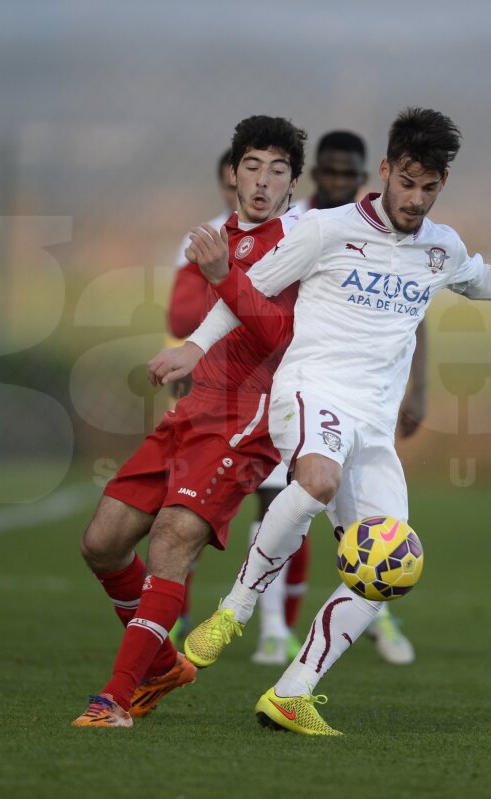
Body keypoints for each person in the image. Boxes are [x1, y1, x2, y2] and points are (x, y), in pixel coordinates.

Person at [158, 108, 491, 735]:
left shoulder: (440, 246)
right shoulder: (325, 230)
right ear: (385, 172)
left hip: (373, 426)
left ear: (442, 186)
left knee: (392, 564)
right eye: (406, 182)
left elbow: (481, 279)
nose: (415, 198)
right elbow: (252, 288)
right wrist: (193, 347)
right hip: (311, 390)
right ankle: (236, 608)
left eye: (429, 187)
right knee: (317, 480)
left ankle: (293, 690)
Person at [71, 115, 307, 728]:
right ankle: (162, 662)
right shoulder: (212, 238)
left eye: (277, 171)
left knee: (174, 537)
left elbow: (277, 332)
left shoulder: (295, 244)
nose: (262, 181)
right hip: (192, 409)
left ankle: (116, 699)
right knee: (101, 544)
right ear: (232, 173)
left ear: (291, 185)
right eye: (252, 166)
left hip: (246, 417)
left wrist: (219, 275)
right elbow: (184, 309)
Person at [254, 130, 423, 667]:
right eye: (330, 171)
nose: (339, 181)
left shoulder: (386, 234)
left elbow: (414, 314)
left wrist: (418, 388)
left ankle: (373, 607)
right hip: (286, 390)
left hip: (360, 402)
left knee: (360, 519)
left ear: (362, 177)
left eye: (349, 174)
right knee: (284, 501)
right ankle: (270, 626)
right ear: (314, 173)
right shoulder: (298, 228)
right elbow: (253, 297)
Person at [161, 149, 239, 647]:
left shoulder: (296, 237)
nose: (249, 189)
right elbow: (178, 317)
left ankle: (272, 625)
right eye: (237, 178)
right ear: (221, 183)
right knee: (183, 510)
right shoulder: (202, 241)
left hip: (270, 394)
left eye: (265, 174)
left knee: (281, 510)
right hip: (209, 393)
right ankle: (175, 615)